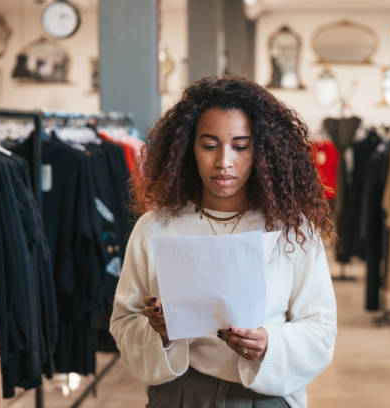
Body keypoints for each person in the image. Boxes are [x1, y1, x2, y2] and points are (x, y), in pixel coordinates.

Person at [110, 76, 337, 408]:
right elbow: (124, 321)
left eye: (240, 146)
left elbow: (320, 328)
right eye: (209, 144)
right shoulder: (155, 228)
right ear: (189, 148)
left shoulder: (292, 230)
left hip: (264, 398)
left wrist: (269, 345)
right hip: (180, 395)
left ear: (261, 150)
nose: (224, 161)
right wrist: (160, 333)